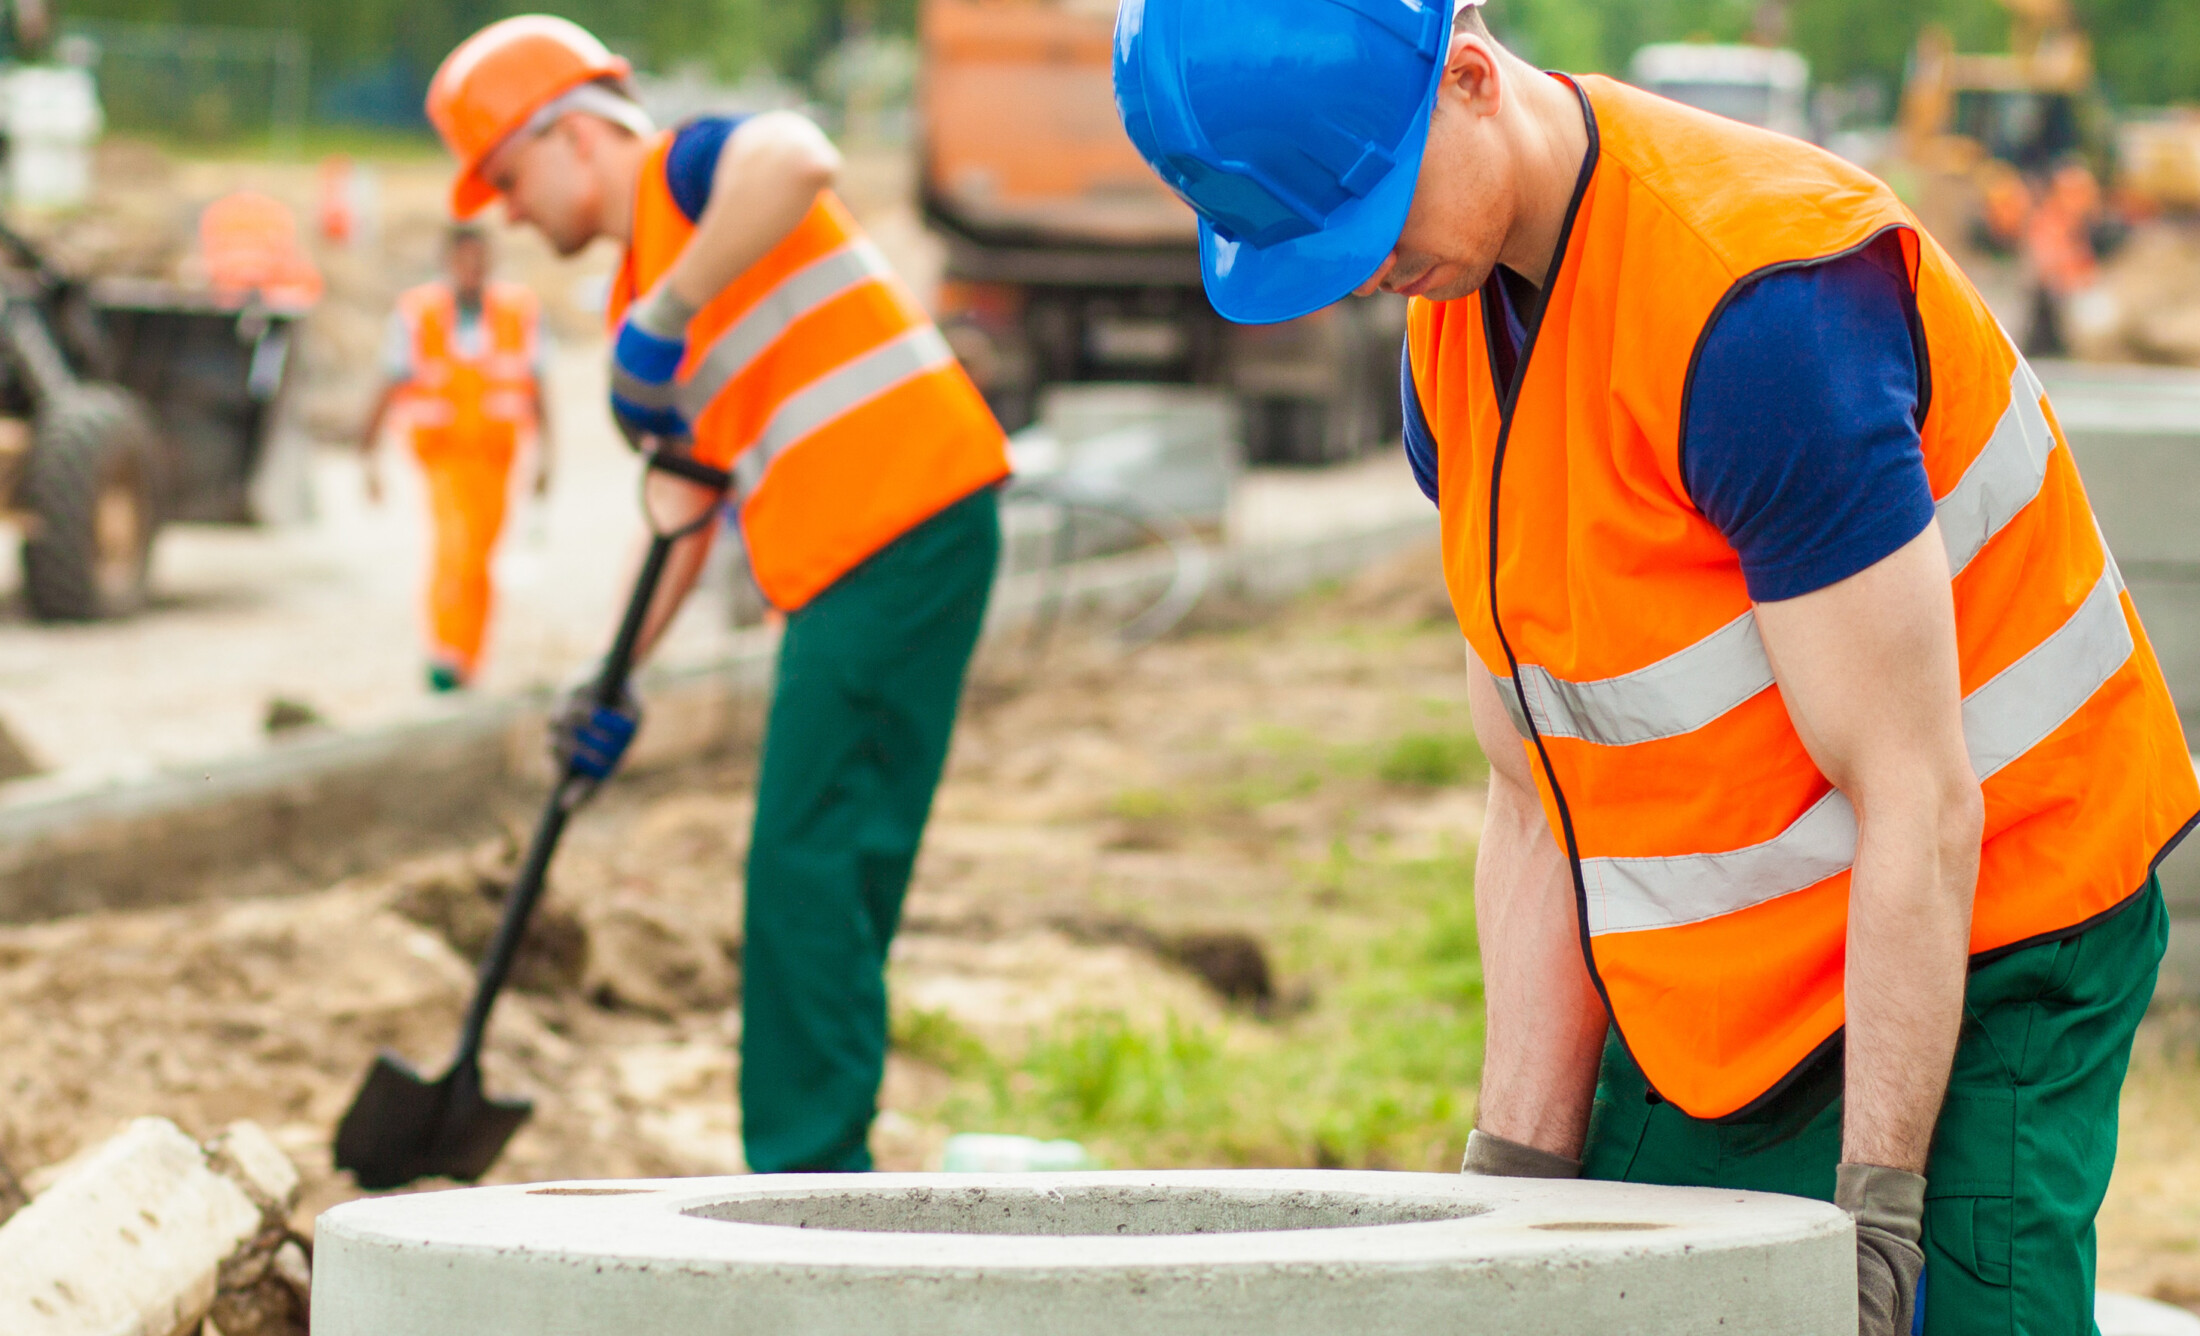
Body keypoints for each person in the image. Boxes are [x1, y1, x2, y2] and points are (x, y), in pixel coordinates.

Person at [1114, 3, 2197, 1334]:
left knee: (1945, 1309)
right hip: (1755, 936)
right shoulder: (1452, 340)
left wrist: (1877, 1218)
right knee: (1616, 1298)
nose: (1366, 270)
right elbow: (1534, 802)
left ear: (1469, 72)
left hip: (1996, 911)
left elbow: (1921, 799)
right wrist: (1510, 1187)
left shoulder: (1760, 322)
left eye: (1374, 211)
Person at [424, 17, 1010, 1173]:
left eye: (505, 174)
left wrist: (668, 311)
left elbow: (800, 158)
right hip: (891, 535)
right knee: (837, 853)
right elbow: (686, 508)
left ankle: (807, 1171)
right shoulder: (645, 285)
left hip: (893, 517)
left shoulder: (689, 176)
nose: (505, 213)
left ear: (576, 132)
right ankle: (825, 1151)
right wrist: (614, 678)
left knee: (804, 855)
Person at [359, 223, 552, 692]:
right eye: (463, 258)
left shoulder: (518, 312)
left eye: (479, 258)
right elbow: (390, 380)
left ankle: (469, 657)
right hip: (443, 457)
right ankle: (445, 653)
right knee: (455, 551)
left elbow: (538, 386)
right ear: (448, 261)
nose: (472, 268)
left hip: (496, 457)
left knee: (481, 559)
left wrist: (549, 455)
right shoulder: (418, 313)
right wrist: (367, 451)